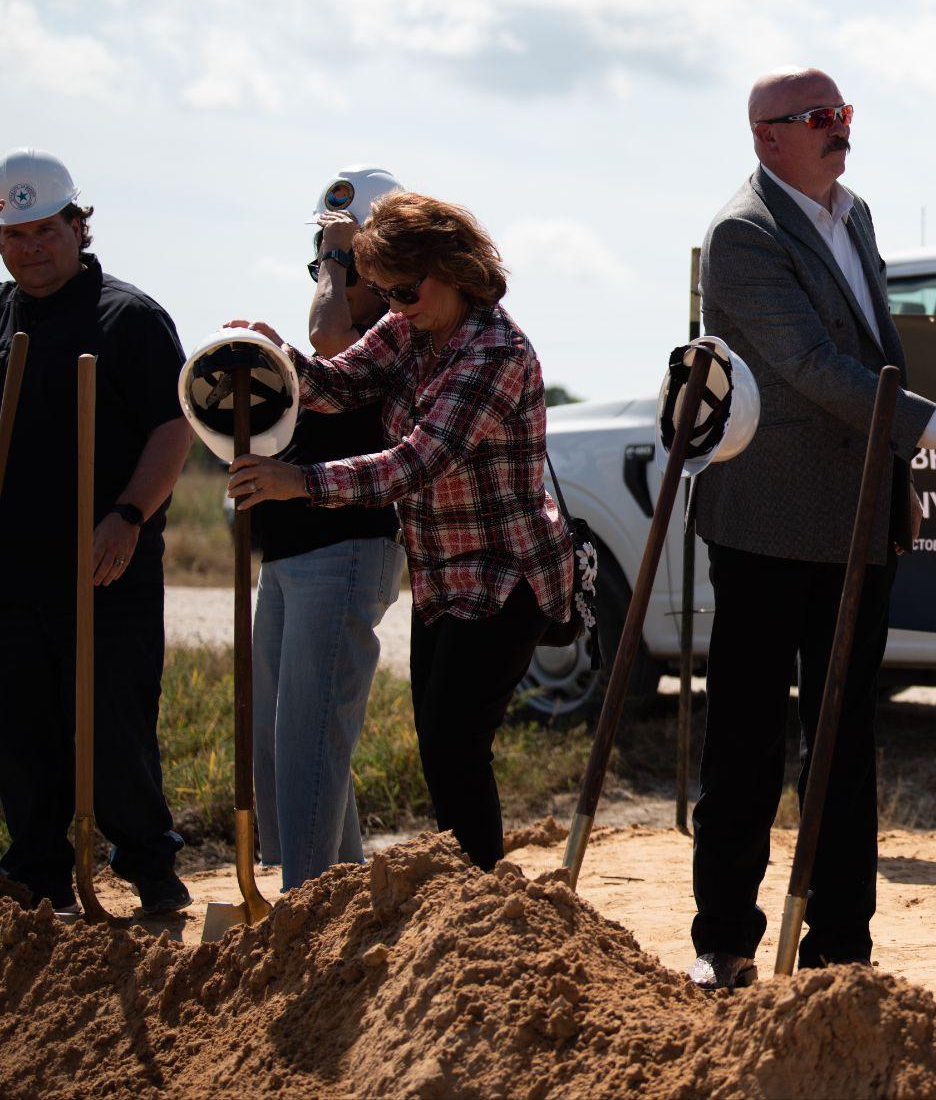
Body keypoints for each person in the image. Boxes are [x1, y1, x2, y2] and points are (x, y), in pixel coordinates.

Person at [687, 66, 936, 991]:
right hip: (766, 524)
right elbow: (815, 366)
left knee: (845, 741)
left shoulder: (852, 212)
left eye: (844, 112)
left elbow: (873, 353)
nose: (839, 128)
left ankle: (841, 950)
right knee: (747, 739)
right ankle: (725, 941)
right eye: (818, 117)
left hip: (855, 519)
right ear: (766, 136)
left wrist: (914, 452)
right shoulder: (743, 233)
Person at [224, 190, 573, 875]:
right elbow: (339, 383)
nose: (395, 307)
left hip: (507, 578)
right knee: (441, 745)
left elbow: (413, 464)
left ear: (453, 268)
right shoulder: (412, 324)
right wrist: (273, 358)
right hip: (443, 579)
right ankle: (471, 899)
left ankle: (480, 903)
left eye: (406, 291)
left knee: (455, 746)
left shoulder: (495, 352)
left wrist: (301, 481)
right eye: (385, 293)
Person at [0, 148, 192, 916]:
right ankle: (38, 878)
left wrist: (129, 514)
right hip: (14, 574)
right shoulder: (3, 317)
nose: (31, 248)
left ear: (79, 226)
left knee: (112, 731)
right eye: (15, 235)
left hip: (106, 566)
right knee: (22, 735)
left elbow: (173, 428)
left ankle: (151, 870)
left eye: (46, 229)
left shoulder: (129, 317)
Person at [247, 169, 407, 891]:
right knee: (289, 734)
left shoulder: (391, 330)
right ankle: (339, 894)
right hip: (292, 550)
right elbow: (318, 361)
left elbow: (329, 340)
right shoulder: (343, 329)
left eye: (341, 256)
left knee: (308, 737)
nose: (326, 270)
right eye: (321, 255)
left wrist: (337, 265)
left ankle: (307, 902)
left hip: (343, 547)